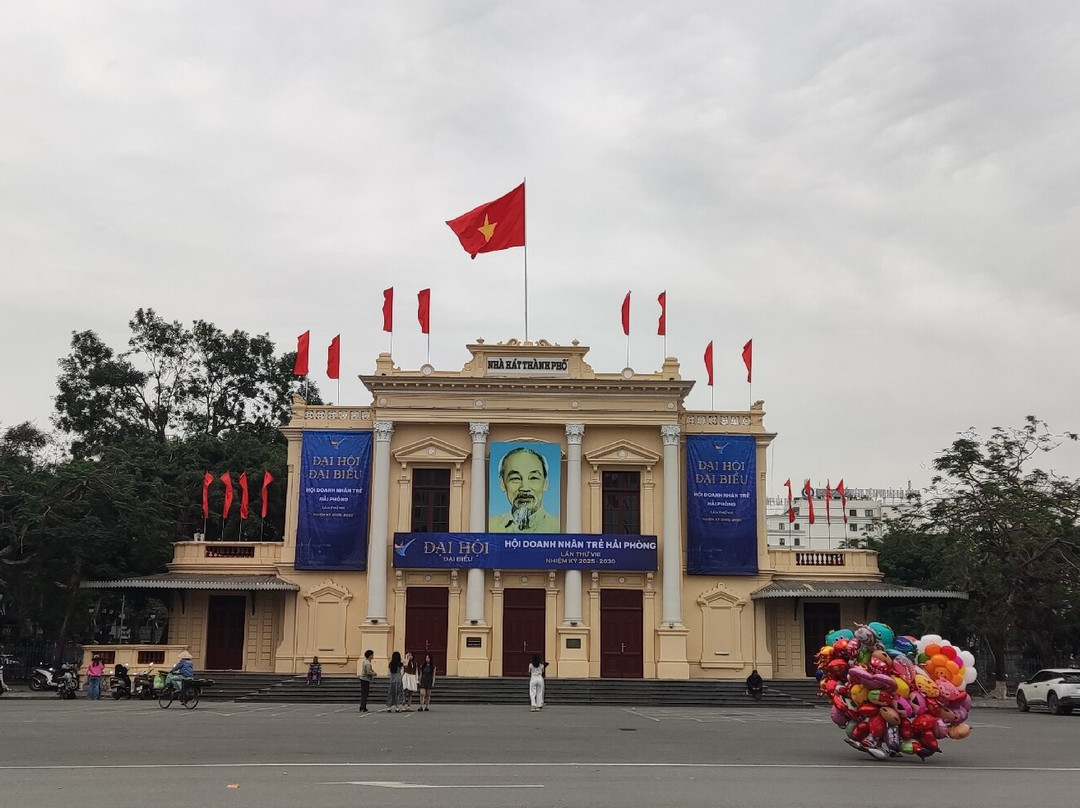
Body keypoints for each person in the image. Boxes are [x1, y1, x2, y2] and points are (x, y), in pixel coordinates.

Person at [488, 447, 560, 532]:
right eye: (515, 478)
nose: (524, 488)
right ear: (502, 484)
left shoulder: (557, 527)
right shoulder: (492, 527)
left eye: (533, 478)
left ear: (545, 484)